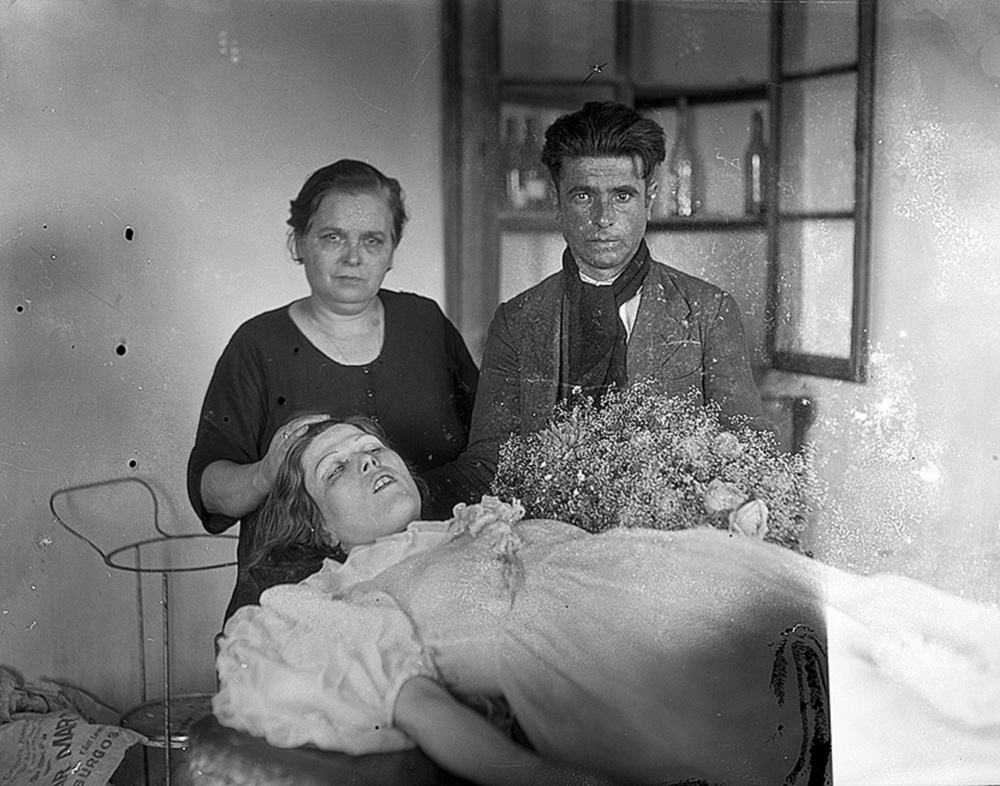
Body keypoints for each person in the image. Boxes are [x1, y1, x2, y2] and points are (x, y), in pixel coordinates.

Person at [213, 418, 1000, 785]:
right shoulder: (339, 595)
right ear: (315, 520)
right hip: (630, 672)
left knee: (931, 654)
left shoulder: (471, 523)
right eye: (338, 469)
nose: (370, 462)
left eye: (371, 447)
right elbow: (414, 705)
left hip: (726, 584)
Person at [424, 101, 770, 507]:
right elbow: (487, 464)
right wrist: (415, 494)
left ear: (650, 199)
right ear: (557, 201)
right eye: (584, 196)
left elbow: (749, 450)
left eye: (622, 195)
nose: (603, 217)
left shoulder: (708, 312)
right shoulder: (516, 322)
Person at [187, 160, 479, 622]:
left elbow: (486, 445)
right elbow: (209, 492)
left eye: (372, 240)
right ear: (298, 243)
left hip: (429, 591)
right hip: (300, 605)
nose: (353, 257)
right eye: (332, 237)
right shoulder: (259, 345)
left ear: (392, 250)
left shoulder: (424, 324)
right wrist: (265, 473)